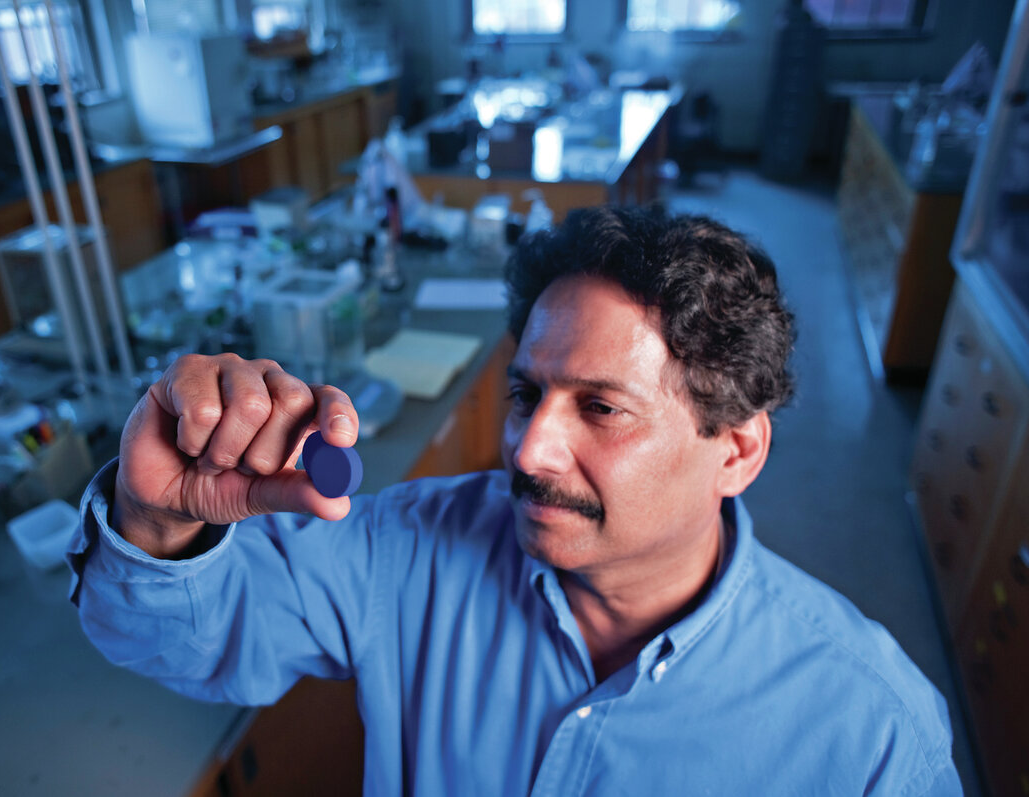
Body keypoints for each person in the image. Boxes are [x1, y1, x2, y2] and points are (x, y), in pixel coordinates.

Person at [68, 206, 962, 795]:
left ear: (736, 448)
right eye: (529, 393)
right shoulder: (409, 546)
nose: (528, 448)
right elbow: (169, 633)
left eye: (602, 408)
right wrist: (158, 517)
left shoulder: (873, 737)